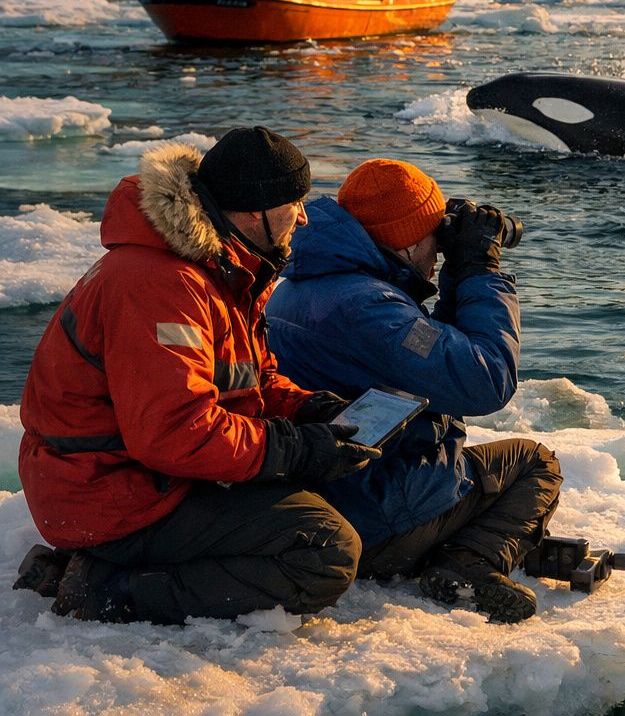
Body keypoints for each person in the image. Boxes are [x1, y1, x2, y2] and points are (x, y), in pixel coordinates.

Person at [15, 127, 381, 624]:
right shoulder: (161, 285)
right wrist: (291, 449)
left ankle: (106, 567)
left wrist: (308, 410)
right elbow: (173, 432)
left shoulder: (222, 266)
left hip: (135, 477)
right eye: (293, 202)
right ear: (255, 209)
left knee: (321, 499)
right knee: (324, 550)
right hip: (109, 493)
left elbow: (248, 378)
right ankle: (104, 588)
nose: (303, 215)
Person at [266, 159, 561, 624]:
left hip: (318, 504)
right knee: (533, 462)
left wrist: (453, 284)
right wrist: (481, 272)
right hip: (374, 515)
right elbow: (486, 382)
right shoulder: (370, 308)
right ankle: (469, 563)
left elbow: (423, 353)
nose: (439, 253)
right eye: (434, 239)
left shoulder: (302, 286)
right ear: (407, 241)